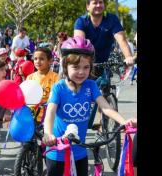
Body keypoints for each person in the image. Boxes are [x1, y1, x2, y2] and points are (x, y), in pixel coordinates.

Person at [42, 36, 137, 176]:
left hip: (80, 152)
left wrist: (124, 122)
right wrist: (47, 133)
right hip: (58, 151)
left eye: (86, 67)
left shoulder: (90, 85)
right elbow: (50, 112)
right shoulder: (59, 88)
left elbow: (105, 107)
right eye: (76, 67)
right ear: (65, 67)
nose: (81, 72)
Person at [74, 0, 135, 68]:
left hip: (106, 65)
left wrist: (128, 56)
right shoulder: (81, 21)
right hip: (86, 64)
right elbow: (79, 44)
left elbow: (121, 40)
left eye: (101, 2)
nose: (98, 5)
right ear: (87, 6)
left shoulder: (112, 19)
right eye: (95, 3)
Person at [26, 47, 59, 124]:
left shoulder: (56, 78)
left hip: (50, 117)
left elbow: (58, 99)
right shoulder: (30, 77)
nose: (38, 61)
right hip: (32, 116)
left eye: (41, 59)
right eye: (35, 59)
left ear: (50, 61)